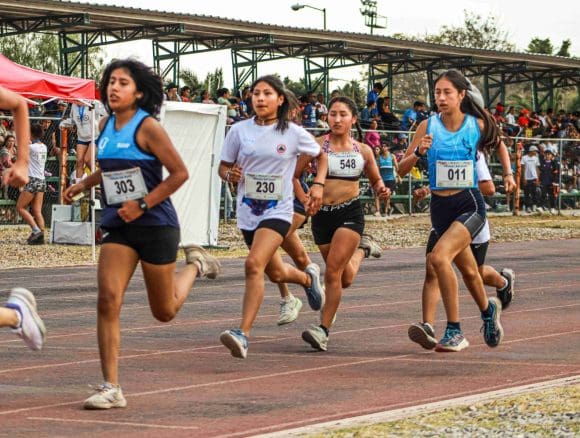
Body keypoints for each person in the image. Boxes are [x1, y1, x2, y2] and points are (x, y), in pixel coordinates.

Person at [64, 59, 221, 409]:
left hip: (155, 225)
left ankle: (195, 264)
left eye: (122, 83)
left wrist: (143, 205)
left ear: (138, 92)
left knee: (164, 311)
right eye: (110, 82)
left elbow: (179, 173)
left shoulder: (148, 127)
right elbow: (108, 169)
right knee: (107, 298)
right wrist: (82, 185)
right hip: (119, 226)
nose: (114, 88)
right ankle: (111, 387)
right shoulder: (104, 125)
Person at [397, 69, 516, 352]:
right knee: (470, 272)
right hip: (440, 208)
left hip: (468, 204)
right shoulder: (427, 126)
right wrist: (419, 154)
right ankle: (488, 312)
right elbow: (401, 168)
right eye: (437, 93)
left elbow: (499, 143)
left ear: (461, 95)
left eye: (447, 92)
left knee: (439, 258)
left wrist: (508, 174)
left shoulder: (475, 125)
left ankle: (454, 330)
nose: (440, 98)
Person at [218, 75, 326, 359]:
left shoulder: (293, 132)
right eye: (255, 93)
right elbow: (223, 167)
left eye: (267, 93)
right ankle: (307, 279)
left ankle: (243, 333)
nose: (260, 98)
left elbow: (320, 155)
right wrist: (230, 174)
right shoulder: (239, 131)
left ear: (280, 99)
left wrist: (317, 185)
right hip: (248, 212)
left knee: (253, 264)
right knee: (275, 272)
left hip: (278, 211)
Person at [299, 96, 390, 352]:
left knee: (332, 273)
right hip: (322, 217)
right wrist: (304, 199)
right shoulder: (316, 146)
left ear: (352, 119)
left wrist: (382, 189)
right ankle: (364, 249)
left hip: (350, 213)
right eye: (332, 114)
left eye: (342, 114)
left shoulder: (363, 150)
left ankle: (323, 330)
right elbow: (293, 176)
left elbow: (376, 181)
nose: (336, 119)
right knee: (345, 277)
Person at [408, 152, 515, 350]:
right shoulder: (437, 146)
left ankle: (502, 282)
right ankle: (428, 327)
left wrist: (464, 181)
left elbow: (489, 188)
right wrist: (428, 189)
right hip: (444, 219)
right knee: (434, 265)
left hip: (469, 218)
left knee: (474, 273)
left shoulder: (473, 149)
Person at [0, 85, 46, 351]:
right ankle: (17, 315)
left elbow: (18, 103)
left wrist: (23, 162)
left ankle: (17, 315)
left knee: (25, 208)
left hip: (32, 179)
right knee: (35, 210)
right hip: (39, 180)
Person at [16, 123, 48, 245]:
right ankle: (41, 236)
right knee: (37, 211)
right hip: (42, 180)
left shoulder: (31, 148)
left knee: (20, 207)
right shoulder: (44, 146)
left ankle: (36, 231)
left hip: (33, 180)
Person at [60, 102, 101, 182]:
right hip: (82, 137)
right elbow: (73, 120)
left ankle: (101, 178)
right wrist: (64, 123)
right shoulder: (74, 106)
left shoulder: (93, 102)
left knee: (88, 160)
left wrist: (96, 107)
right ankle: (78, 188)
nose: (75, 100)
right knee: (79, 162)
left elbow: (104, 112)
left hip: (95, 136)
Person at [376, 142, 400, 216]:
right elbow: (377, 168)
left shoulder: (392, 156)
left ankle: (386, 211)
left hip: (390, 179)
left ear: (388, 147)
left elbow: (397, 167)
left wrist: (398, 176)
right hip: (382, 179)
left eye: (385, 146)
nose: (383, 147)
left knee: (387, 194)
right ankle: (388, 208)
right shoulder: (379, 157)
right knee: (382, 195)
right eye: (382, 146)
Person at [521, 145, 541, 212]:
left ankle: (534, 206)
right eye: (535, 151)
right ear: (531, 151)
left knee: (534, 193)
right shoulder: (524, 158)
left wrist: (537, 178)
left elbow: (537, 168)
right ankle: (528, 207)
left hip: (534, 178)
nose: (536, 152)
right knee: (527, 193)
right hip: (527, 178)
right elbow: (522, 168)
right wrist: (524, 178)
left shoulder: (536, 158)